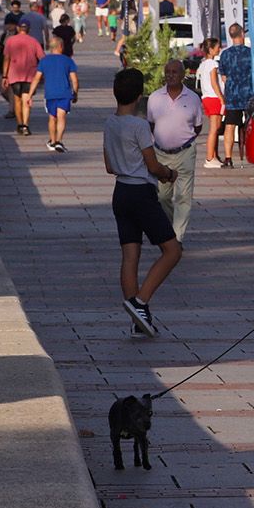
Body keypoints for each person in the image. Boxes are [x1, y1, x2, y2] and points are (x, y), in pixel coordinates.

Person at [105, 68, 181, 337]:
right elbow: (152, 164)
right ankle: (140, 301)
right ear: (139, 96)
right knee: (172, 250)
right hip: (140, 193)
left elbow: (109, 166)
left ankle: (138, 321)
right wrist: (168, 174)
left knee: (130, 256)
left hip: (121, 192)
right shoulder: (138, 126)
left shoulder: (110, 123)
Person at [147, 57, 204, 242]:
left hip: (185, 152)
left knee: (183, 197)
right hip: (162, 154)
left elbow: (198, 127)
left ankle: (177, 238)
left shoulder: (193, 98)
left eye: (174, 72)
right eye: (168, 72)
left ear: (182, 75)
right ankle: (170, 231)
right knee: (162, 197)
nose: (170, 76)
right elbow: (150, 124)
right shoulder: (155, 98)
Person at [30, 36, 79, 152]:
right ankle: (59, 141)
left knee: (52, 117)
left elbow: (36, 78)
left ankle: (52, 141)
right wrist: (75, 93)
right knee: (61, 117)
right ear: (61, 46)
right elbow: (75, 80)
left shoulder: (44, 61)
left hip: (50, 94)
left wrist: (31, 94)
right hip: (65, 93)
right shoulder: (68, 60)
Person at [216, 22, 254, 168]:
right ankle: (250, 154)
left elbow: (223, 77)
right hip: (249, 94)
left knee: (230, 126)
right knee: (251, 125)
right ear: (243, 34)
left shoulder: (225, 54)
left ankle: (228, 157)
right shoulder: (250, 53)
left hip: (232, 95)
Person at [196, 38, 225, 169]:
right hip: (214, 98)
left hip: (207, 97)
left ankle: (214, 156)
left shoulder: (203, 64)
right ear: (211, 49)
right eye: (217, 47)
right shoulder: (213, 64)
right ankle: (209, 157)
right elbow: (214, 82)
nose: (219, 49)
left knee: (215, 128)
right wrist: (221, 98)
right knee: (214, 129)